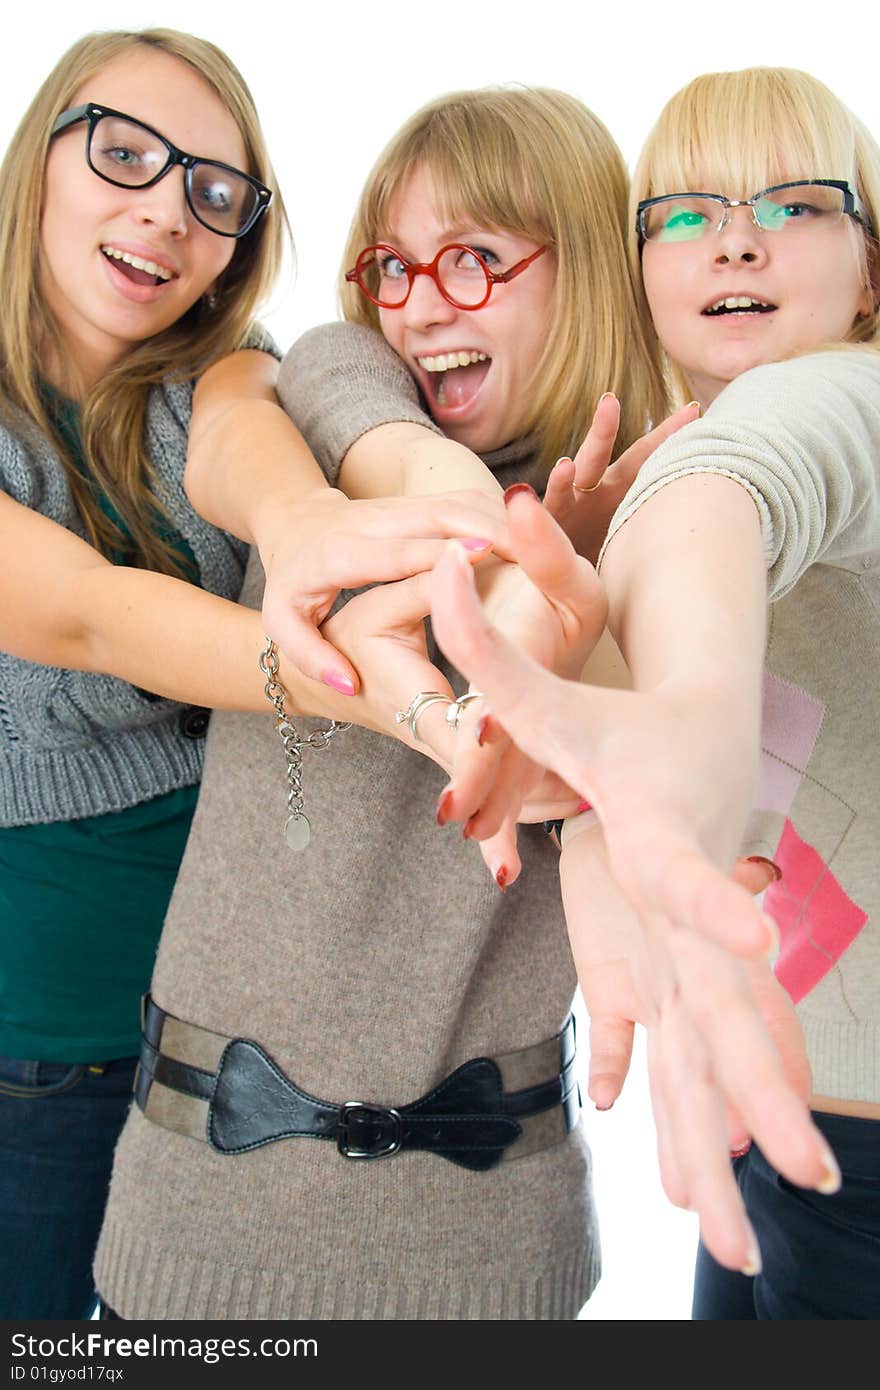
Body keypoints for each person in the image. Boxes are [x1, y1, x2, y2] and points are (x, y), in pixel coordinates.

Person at [92, 85, 687, 1323]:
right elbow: (371, 412)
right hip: (196, 1213)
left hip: (491, 1246)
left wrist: (573, 621)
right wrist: (501, 553)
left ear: (585, 271)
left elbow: (697, 804)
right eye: (394, 265)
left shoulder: (666, 530)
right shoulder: (335, 395)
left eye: (475, 260)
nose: (420, 304)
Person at [0, 29, 508, 1320]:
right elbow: (88, 619)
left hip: (239, 1042)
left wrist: (306, 529)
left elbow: (246, 444)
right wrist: (392, 693)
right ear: (37, 155)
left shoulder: (221, 365)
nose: (166, 212)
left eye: (214, 195)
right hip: (41, 1042)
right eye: (125, 154)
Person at [427, 66, 879, 1317]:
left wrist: (685, 721)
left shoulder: (841, 402)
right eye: (685, 210)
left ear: (873, 268)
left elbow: (741, 477)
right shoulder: (661, 460)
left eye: (795, 202)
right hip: (762, 1108)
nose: (734, 234)